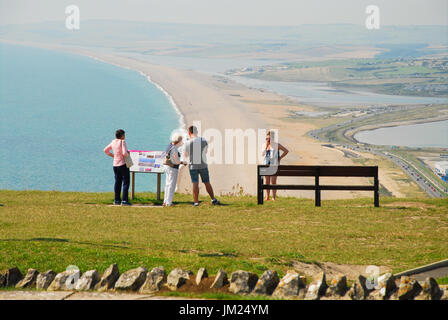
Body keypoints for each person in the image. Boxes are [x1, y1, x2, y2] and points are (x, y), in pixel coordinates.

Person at [183, 125, 220, 206]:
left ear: (189, 132)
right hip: (203, 164)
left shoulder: (188, 142)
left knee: (195, 183)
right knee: (207, 182)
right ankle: (213, 199)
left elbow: (185, 155)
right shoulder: (203, 140)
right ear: (197, 132)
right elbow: (206, 151)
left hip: (193, 165)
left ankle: (196, 202)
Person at [104, 129, 132, 206]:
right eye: (124, 135)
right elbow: (124, 153)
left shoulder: (113, 142)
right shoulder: (122, 142)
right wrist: (128, 153)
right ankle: (124, 200)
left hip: (115, 165)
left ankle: (117, 200)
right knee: (126, 182)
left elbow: (105, 150)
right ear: (122, 135)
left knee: (117, 182)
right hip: (122, 164)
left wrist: (113, 156)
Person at [261, 130, 289, 201]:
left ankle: (273, 197)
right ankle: (267, 197)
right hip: (266, 165)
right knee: (267, 182)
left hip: (274, 165)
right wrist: (266, 146)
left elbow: (286, 151)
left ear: (273, 138)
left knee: (273, 182)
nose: (268, 140)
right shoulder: (264, 145)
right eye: (267, 138)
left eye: (269, 138)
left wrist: (280, 157)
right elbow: (262, 154)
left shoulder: (277, 145)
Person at [163, 132, 186, 207]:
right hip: (172, 168)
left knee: (167, 184)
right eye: (181, 140)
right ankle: (169, 202)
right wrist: (182, 162)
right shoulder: (174, 149)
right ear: (178, 141)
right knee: (172, 185)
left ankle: (165, 201)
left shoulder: (169, 145)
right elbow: (176, 161)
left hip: (167, 166)